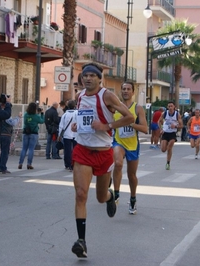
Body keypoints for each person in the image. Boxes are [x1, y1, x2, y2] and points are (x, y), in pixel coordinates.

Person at [70, 63, 134, 258]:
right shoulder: (80, 96)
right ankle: (81, 241)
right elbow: (84, 119)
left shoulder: (107, 96)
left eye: (92, 76)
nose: (88, 79)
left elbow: (129, 117)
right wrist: (77, 125)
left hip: (103, 152)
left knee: (100, 197)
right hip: (82, 150)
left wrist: (106, 125)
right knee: (81, 195)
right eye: (85, 76)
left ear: (99, 79)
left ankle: (110, 197)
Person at [112, 82, 148, 215]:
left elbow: (145, 129)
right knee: (118, 163)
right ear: (120, 91)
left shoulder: (138, 109)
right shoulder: (114, 107)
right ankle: (116, 194)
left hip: (133, 145)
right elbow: (108, 122)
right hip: (118, 142)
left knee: (131, 175)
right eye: (123, 89)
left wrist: (130, 123)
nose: (126, 91)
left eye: (128, 89)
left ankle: (133, 198)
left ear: (133, 92)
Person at [0, 94, 22, 174]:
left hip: (0, 133)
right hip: (6, 133)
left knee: (3, 151)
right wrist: (18, 117)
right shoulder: (5, 112)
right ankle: (2, 167)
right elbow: (12, 122)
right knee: (5, 152)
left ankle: (1, 167)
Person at [18, 103, 44, 170]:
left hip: (25, 132)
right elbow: (42, 121)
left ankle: (20, 163)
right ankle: (29, 164)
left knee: (24, 148)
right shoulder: (36, 116)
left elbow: (25, 122)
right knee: (31, 149)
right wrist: (42, 114)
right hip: (33, 133)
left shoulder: (26, 114)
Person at [158, 101, 183, 170]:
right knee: (163, 150)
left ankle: (168, 163)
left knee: (169, 148)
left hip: (172, 133)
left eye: (171, 106)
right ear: (167, 107)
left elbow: (181, 125)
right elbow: (159, 121)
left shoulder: (177, 114)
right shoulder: (164, 113)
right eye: (169, 106)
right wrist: (161, 129)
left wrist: (175, 126)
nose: (170, 108)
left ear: (174, 107)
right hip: (165, 132)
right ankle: (163, 143)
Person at [58, 100, 77, 171]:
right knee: (75, 150)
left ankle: (67, 164)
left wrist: (59, 135)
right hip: (75, 134)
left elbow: (61, 126)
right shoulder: (77, 113)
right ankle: (74, 163)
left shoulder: (65, 115)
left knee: (67, 151)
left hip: (66, 135)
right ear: (75, 106)